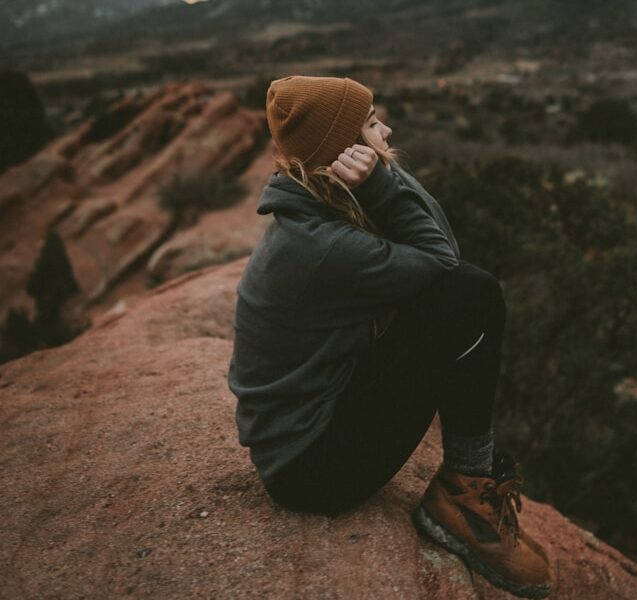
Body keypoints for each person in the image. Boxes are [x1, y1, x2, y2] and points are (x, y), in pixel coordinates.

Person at [227, 75, 552, 598]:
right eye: (373, 124)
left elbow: (441, 246)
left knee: (461, 292)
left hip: (311, 434)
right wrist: (381, 184)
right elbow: (447, 265)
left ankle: (467, 486)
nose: (388, 130)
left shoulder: (312, 207)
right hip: (314, 468)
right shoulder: (321, 248)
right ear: (343, 153)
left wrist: (381, 177)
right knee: (472, 294)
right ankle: (464, 495)